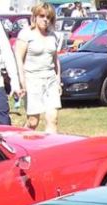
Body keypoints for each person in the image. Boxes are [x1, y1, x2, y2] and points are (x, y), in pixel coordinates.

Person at [15, 3, 61, 133]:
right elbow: (19, 58)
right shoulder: (26, 34)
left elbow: (55, 59)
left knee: (53, 119)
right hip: (32, 79)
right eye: (42, 16)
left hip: (50, 79)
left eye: (49, 17)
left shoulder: (53, 36)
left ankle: (50, 149)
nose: (45, 20)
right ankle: (21, 142)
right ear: (35, 16)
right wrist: (21, 81)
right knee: (33, 122)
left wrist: (58, 80)